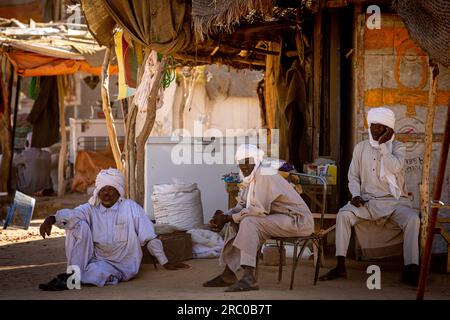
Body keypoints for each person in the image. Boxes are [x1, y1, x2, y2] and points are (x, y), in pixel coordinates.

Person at [38, 168, 188, 291]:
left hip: (123, 264)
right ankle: (73, 275)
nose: (107, 193)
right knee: (76, 225)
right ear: (98, 191)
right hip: (97, 260)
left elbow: (149, 236)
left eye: (111, 189)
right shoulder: (90, 209)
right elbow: (72, 215)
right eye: (103, 189)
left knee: (97, 274)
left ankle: (70, 278)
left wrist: (165, 261)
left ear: (118, 191)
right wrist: (52, 219)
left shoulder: (130, 208)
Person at [319, 107, 420, 286]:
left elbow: (394, 168)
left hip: (395, 202)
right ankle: (340, 266)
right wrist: (356, 195)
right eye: (373, 126)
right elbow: (353, 177)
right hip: (368, 202)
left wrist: (383, 146)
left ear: (388, 130)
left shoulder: (398, 147)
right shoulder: (361, 148)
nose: (374, 130)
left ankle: (411, 268)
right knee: (344, 215)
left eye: (380, 127)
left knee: (413, 219)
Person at [203, 144, 314, 292]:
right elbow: (243, 205)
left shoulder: (264, 173)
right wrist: (224, 216)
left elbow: (256, 210)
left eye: (248, 161)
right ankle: (228, 274)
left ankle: (249, 277)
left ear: (256, 160)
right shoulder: (251, 177)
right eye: (241, 162)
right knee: (236, 222)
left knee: (249, 221)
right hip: (279, 219)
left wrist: (229, 218)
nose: (245, 165)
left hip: (297, 221)